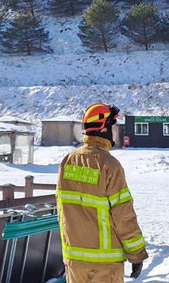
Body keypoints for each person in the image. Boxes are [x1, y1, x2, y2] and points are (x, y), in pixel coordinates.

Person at [56, 103, 148, 282]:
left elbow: (62, 211)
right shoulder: (109, 165)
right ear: (104, 128)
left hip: (74, 262)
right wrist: (136, 254)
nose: (115, 131)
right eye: (113, 126)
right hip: (105, 264)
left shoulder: (67, 161)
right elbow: (123, 215)